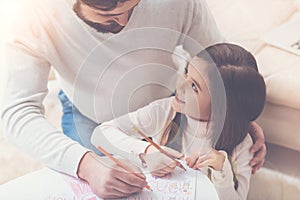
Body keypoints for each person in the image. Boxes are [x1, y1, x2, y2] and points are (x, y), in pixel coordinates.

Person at [1, 0, 265, 198]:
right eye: (109, 16)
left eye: (134, 5)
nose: (126, 22)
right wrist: (86, 165)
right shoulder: (29, 13)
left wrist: (236, 113)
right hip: (91, 116)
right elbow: (17, 112)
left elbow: (218, 60)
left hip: (168, 107)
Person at [93, 43, 266, 199]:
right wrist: (145, 152)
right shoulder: (166, 110)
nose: (180, 85)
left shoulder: (242, 145)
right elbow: (100, 134)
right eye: (185, 73)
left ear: (222, 106)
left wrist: (222, 170)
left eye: (194, 87)